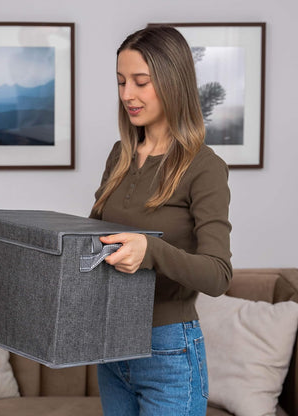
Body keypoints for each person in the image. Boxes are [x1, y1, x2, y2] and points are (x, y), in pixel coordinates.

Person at [90, 25, 232, 416]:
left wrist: (151, 250)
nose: (126, 95)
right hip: (111, 347)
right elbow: (91, 241)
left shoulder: (205, 168)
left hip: (168, 351)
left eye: (140, 82)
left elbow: (219, 275)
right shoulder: (120, 155)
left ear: (172, 81)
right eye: (121, 81)